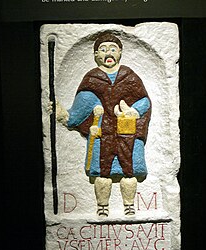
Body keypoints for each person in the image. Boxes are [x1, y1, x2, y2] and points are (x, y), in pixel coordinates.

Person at [57, 32, 151, 217]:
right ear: (96, 55)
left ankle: (129, 205)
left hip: (127, 133)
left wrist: (134, 111)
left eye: (113, 49)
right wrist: (63, 115)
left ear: (120, 52)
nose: (108, 53)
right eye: (103, 49)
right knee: (102, 172)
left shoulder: (129, 76)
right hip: (103, 133)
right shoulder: (92, 80)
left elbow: (144, 101)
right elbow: (79, 110)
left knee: (129, 172)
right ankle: (102, 206)